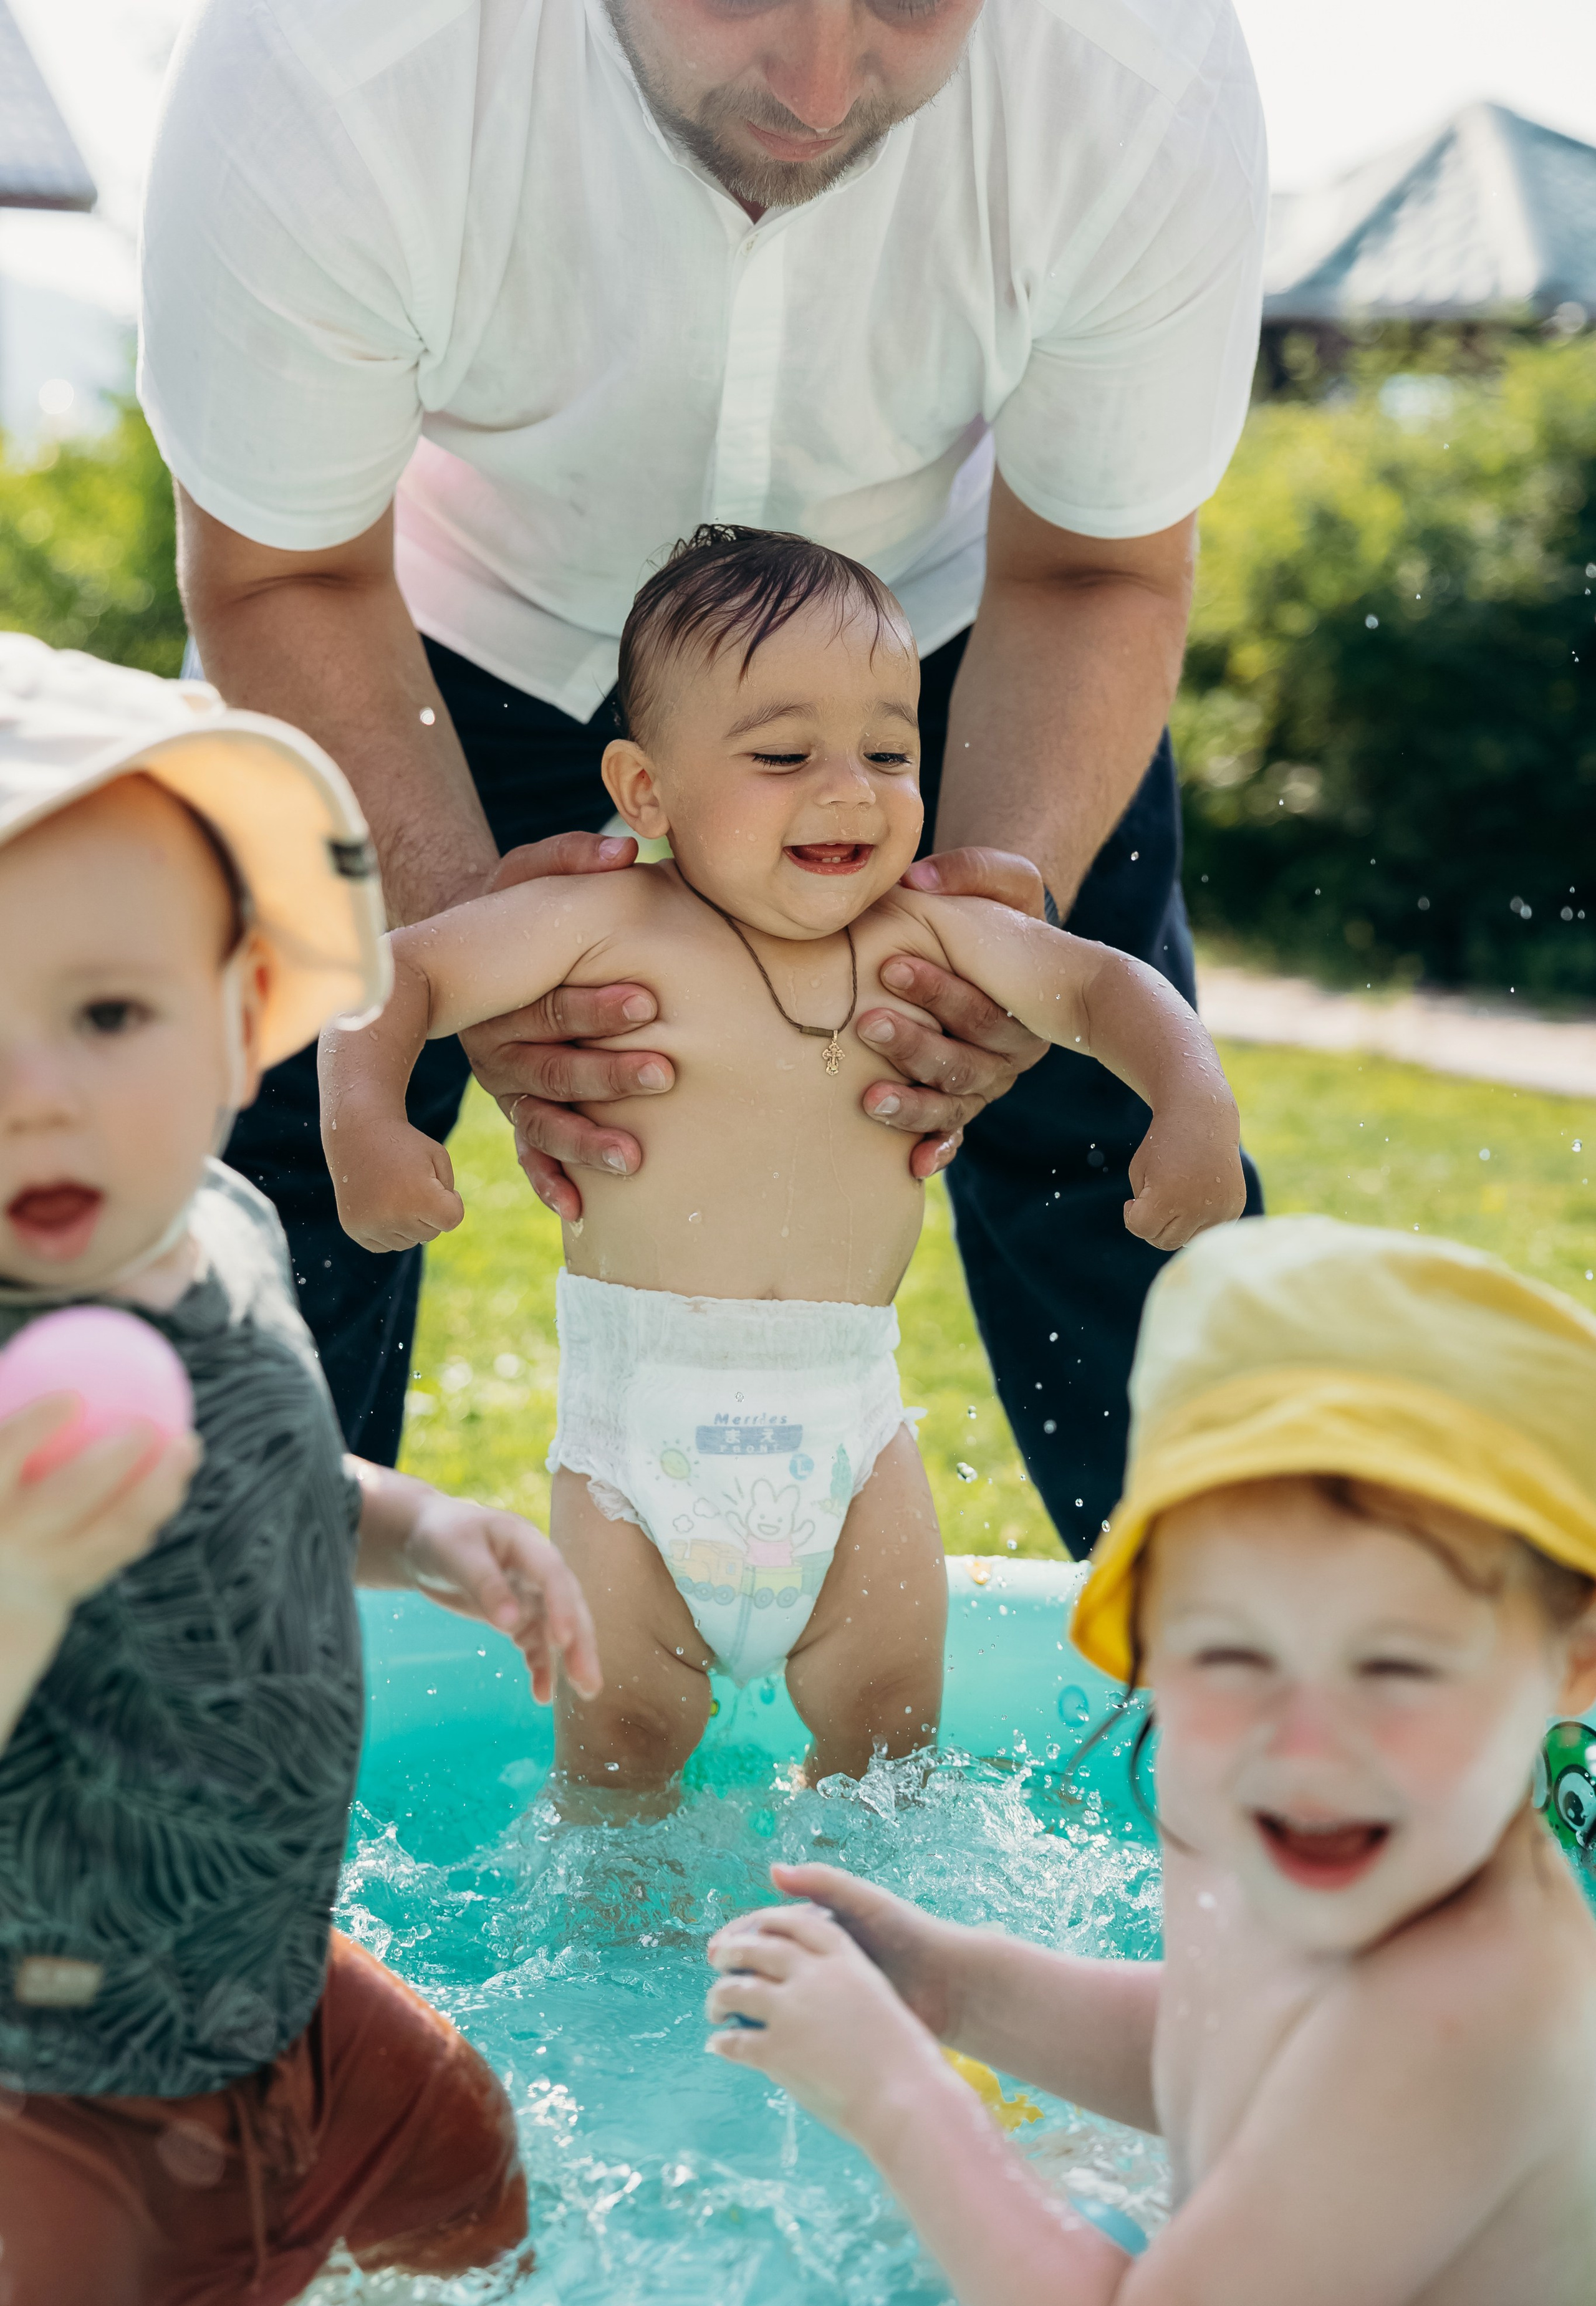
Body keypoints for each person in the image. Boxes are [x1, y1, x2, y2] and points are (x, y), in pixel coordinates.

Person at [139, 0, 1269, 1537]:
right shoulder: (328, 57)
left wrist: (1002, 912)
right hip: (416, 620)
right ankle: (196, 1713)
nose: (815, 86)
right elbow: (283, 574)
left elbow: (1092, 572)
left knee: (1088, 1126)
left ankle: (1282, 1697)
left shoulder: (1136, 70)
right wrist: (458, 932)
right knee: (254, 1154)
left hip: (924, 633)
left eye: (909, 0)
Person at [323, 527, 1245, 1789]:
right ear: (645, 793)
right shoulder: (600, 924)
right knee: (622, 1757)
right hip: (637, 1453)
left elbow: (1102, 989)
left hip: (850, 1440)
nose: (849, 791)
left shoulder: (933, 931)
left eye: (888, 751)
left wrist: (1191, 1107)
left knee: (890, 1752)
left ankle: (864, 1956)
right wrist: (369, 1125)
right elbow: (399, 975)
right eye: (781, 756)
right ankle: (616, 1974)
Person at [0, 638, 601, 2306]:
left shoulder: (219, 1234)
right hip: (57, 2071)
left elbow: (265, 1468)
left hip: (276, 1978)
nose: (32, 1088)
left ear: (246, 1011)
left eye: (106, 1015)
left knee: (466, 2174)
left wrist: (415, 1532)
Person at [704, 1214, 1596, 2306]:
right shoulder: (1347, 1837)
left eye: (1398, 1671)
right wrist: (956, 1987)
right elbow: (1224, 2044)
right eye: (1230, 1658)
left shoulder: (1460, 2007)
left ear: (1574, 1665)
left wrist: (895, 2093)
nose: (1305, 1745)